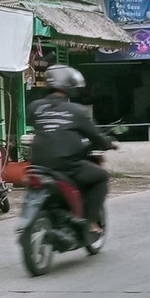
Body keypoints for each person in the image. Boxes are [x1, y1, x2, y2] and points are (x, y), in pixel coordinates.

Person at [27, 65, 116, 234]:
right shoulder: (77, 111)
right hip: (67, 167)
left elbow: (36, 124)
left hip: (38, 166)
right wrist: (110, 143)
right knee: (101, 177)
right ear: (69, 85)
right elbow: (96, 137)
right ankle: (90, 222)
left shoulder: (34, 107)